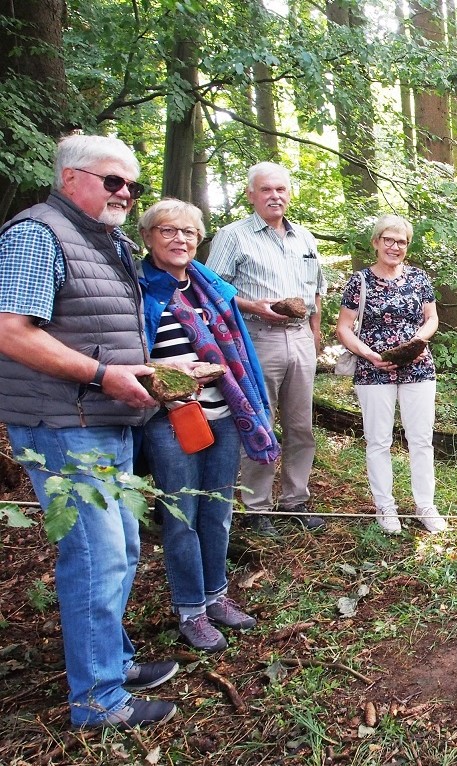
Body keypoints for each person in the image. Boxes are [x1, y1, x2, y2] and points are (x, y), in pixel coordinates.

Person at [0, 135, 178, 728]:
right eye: (112, 181)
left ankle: (110, 662)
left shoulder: (103, 239)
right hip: (66, 423)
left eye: (133, 184)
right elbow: (11, 332)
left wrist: (155, 373)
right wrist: (104, 376)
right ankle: (98, 700)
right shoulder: (37, 234)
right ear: (71, 178)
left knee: (121, 550)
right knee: (94, 557)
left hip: (105, 418)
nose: (125, 193)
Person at [138, 199, 281, 652]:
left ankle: (216, 596)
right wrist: (173, 368)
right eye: (169, 231)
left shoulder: (207, 286)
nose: (180, 240)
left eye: (189, 233)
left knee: (218, 511)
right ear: (148, 237)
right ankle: (190, 610)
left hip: (225, 411)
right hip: (172, 419)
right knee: (181, 517)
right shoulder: (138, 289)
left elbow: (241, 316)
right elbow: (130, 356)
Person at [207, 162, 327, 535]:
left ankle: (296, 500)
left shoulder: (304, 237)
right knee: (260, 422)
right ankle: (257, 507)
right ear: (251, 195)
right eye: (266, 190)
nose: (275, 196)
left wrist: (316, 331)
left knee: (300, 425)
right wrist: (253, 306)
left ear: (289, 194)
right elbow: (212, 289)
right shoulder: (233, 236)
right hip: (258, 337)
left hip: (302, 338)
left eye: (281, 189)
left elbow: (316, 289)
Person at [334, 215, 446, 535]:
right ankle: (386, 507)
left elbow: (431, 318)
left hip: (418, 367)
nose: (394, 247)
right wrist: (367, 353)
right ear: (376, 242)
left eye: (401, 242)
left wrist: (419, 341)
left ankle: (425, 505)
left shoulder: (419, 278)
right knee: (378, 441)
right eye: (388, 240)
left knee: (421, 439)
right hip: (373, 369)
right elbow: (343, 327)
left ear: (407, 246)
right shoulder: (360, 281)